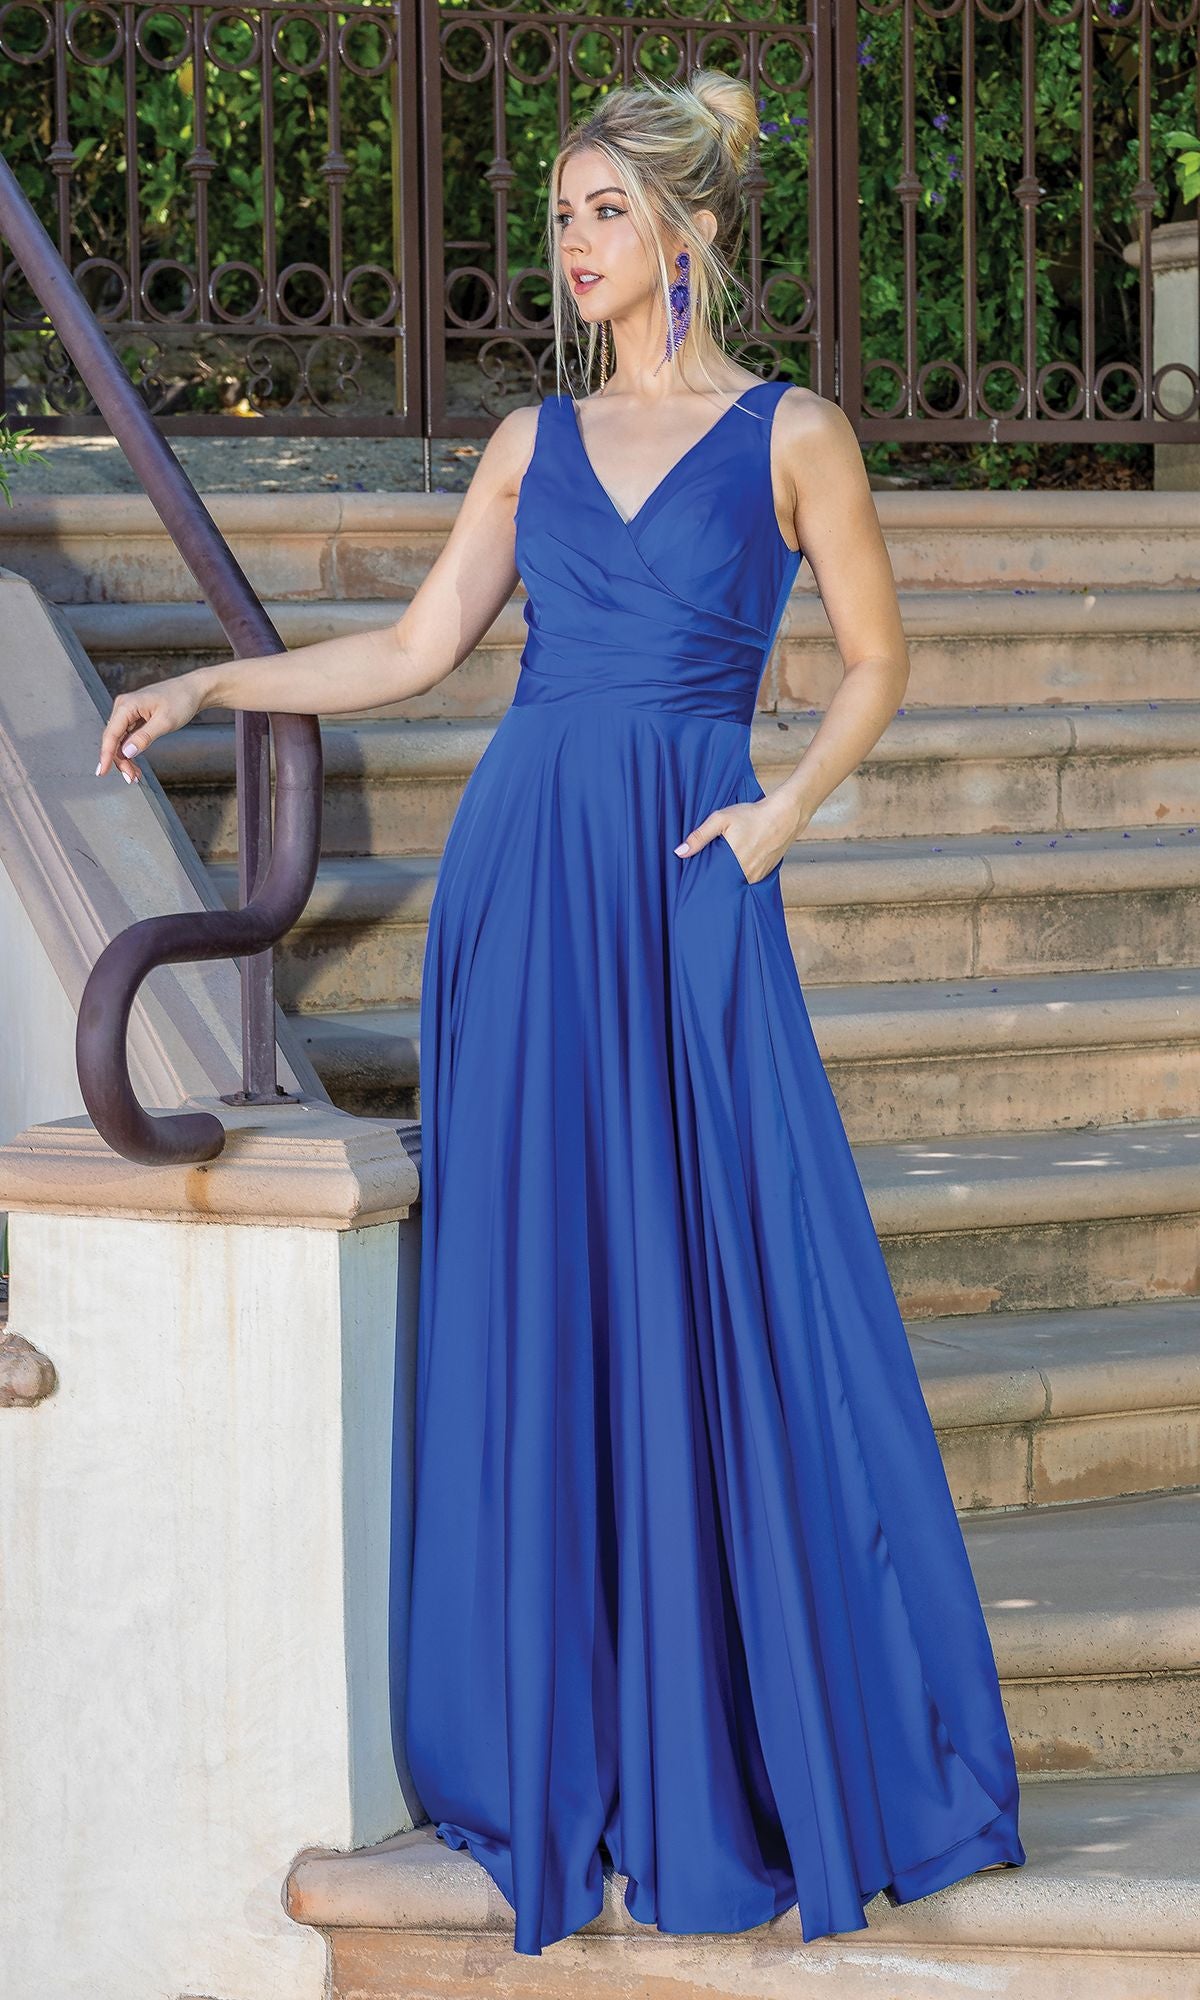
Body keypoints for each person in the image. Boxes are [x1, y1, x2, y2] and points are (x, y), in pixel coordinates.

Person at [96, 64, 1026, 1963]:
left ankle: (746, 1739)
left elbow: (878, 658)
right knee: (548, 1282)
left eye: (602, 208)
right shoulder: (526, 440)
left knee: (727, 1275)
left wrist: (778, 814)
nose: (570, 241)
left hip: (691, 878)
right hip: (522, 895)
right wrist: (215, 689)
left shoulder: (795, 435)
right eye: (561, 213)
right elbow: (425, 647)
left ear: (682, 227)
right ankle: (569, 1731)